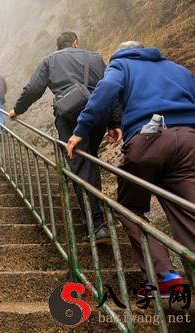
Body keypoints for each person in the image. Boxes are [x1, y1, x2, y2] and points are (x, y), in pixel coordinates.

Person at [66, 41, 194, 294]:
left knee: (128, 208)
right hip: (190, 139)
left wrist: (82, 129)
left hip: (150, 136)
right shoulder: (177, 69)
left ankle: (165, 276)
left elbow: (107, 89)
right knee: (189, 212)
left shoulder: (121, 64)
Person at [9, 31, 121, 244]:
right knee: (89, 161)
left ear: (58, 46)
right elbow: (110, 89)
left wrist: (17, 109)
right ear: (76, 43)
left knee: (80, 165)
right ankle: (95, 215)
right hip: (97, 114)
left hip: (70, 116)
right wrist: (115, 122)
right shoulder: (95, 57)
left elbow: (34, 89)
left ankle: (96, 224)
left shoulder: (50, 60)